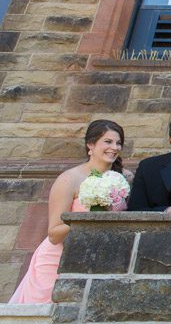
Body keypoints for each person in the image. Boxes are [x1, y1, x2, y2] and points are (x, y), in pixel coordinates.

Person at [9, 120, 130, 303]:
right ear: (90, 145)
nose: (114, 147)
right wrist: (89, 219)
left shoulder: (124, 179)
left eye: (118, 143)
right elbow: (54, 234)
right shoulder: (70, 179)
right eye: (108, 142)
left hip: (98, 260)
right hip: (58, 259)